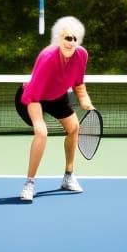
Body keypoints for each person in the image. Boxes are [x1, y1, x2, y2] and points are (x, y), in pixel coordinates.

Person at [15, 15, 95, 202]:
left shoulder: (81, 55)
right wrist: (38, 122)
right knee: (42, 134)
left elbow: (78, 84)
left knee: (74, 128)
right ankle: (29, 183)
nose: (71, 42)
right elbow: (33, 95)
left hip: (57, 96)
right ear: (60, 39)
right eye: (68, 38)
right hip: (33, 96)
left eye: (75, 39)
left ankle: (68, 176)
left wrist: (84, 99)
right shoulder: (47, 58)